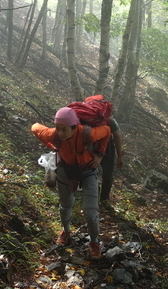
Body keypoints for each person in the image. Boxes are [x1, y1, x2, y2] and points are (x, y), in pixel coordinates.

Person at [31, 107, 111, 258]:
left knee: (90, 210)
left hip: (88, 170)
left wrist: (100, 154)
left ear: (74, 127)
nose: (60, 133)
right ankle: (66, 231)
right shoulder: (54, 134)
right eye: (58, 128)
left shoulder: (87, 134)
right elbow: (35, 128)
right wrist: (51, 145)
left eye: (64, 129)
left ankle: (94, 242)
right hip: (66, 169)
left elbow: (107, 130)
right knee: (65, 204)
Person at [99, 117, 124, 209]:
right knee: (107, 176)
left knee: (89, 173)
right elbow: (116, 136)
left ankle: (90, 197)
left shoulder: (87, 117)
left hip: (91, 149)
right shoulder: (109, 120)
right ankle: (104, 200)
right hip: (107, 150)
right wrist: (119, 155)